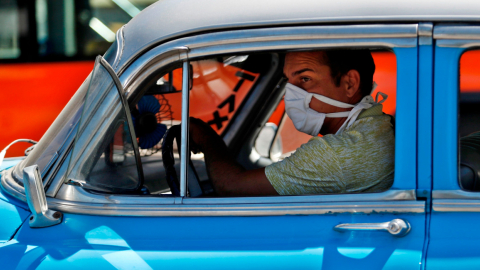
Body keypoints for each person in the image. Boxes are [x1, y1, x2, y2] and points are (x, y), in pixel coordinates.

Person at [189, 49, 394, 196]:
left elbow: (231, 186)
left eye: (305, 79)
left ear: (350, 84)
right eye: (288, 81)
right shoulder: (381, 128)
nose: (291, 94)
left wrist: (205, 137)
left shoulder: (337, 154)